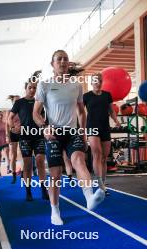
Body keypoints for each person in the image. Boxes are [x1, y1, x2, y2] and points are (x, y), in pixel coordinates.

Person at [33, 50, 105, 226]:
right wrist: (44, 127)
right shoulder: (45, 85)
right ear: (53, 64)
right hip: (54, 133)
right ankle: (55, 210)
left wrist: (83, 131)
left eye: (65, 59)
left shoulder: (76, 86)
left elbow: (81, 111)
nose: (63, 61)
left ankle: (89, 197)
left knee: (79, 160)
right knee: (56, 174)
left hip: (73, 132)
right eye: (59, 59)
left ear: (68, 64)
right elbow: (35, 113)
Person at [8, 74, 49, 201]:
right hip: (25, 137)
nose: (32, 90)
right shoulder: (19, 102)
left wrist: (45, 127)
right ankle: (28, 191)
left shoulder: (40, 102)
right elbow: (10, 117)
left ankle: (43, 190)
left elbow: (44, 117)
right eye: (30, 87)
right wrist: (12, 128)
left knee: (40, 161)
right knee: (27, 165)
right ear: (26, 88)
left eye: (35, 88)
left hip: (39, 136)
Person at [83, 72, 121, 193]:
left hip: (105, 127)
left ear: (101, 81)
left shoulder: (107, 95)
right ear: (91, 82)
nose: (97, 83)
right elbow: (80, 112)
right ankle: (99, 183)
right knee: (97, 154)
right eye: (95, 80)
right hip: (92, 127)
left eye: (99, 80)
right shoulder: (86, 96)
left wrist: (116, 120)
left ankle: (103, 183)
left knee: (104, 157)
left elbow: (111, 110)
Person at [6, 95, 21, 184]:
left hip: (23, 133)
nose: (18, 102)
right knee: (13, 155)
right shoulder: (9, 111)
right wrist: (7, 136)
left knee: (24, 154)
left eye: (19, 100)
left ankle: (23, 173)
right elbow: (6, 125)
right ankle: (14, 175)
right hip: (13, 134)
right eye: (16, 101)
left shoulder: (22, 110)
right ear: (13, 102)